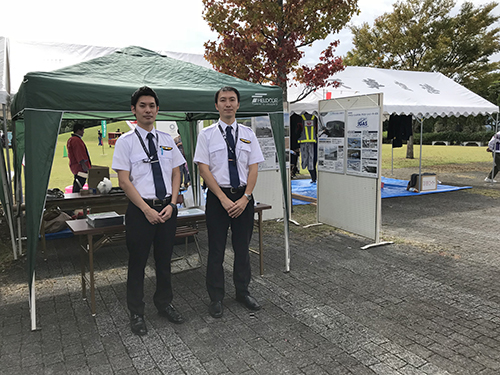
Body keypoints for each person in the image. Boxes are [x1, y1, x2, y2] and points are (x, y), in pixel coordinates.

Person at [112, 86, 186, 336]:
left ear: (157, 110)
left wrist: (173, 204)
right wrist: (145, 209)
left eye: (152, 106)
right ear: (134, 110)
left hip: (166, 209)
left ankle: (164, 303)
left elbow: (177, 172)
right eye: (142, 106)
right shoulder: (125, 142)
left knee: (164, 261)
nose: (148, 110)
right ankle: (136, 312)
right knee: (138, 263)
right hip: (140, 212)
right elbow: (124, 181)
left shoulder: (166, 140)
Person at [194, 86, 265, 318]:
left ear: (238, 104)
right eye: (223, 100)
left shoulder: (248, 134)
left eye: (232, 100)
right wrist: (223, 199)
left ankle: (242, 291)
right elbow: (203, 169)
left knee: (242, 248)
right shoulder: (206, 135)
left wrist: (245, 198)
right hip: (218, 198)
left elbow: (253, 168)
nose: (227, 104)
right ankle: (216, 297)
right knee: (216, 250)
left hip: (243, 198)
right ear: (216, 105)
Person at [67, 123, 91, 193]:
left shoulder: (71, 139)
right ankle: (75, 197)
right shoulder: (76, 140)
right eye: (82, 130)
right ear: (78, 130)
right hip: (79, 167)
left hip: (75, 166)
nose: (83, 132)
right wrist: (83, 164)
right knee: (79, 183)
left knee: (78, 182)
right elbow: (79, 153)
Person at [298, 113, 318, 183]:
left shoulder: (300, 117)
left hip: (303, 142)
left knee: (306, 160)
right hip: (314, 142)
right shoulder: (315, 117)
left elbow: (296, 130)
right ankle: (314, 178)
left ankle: (314, 178)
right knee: (312, 162)